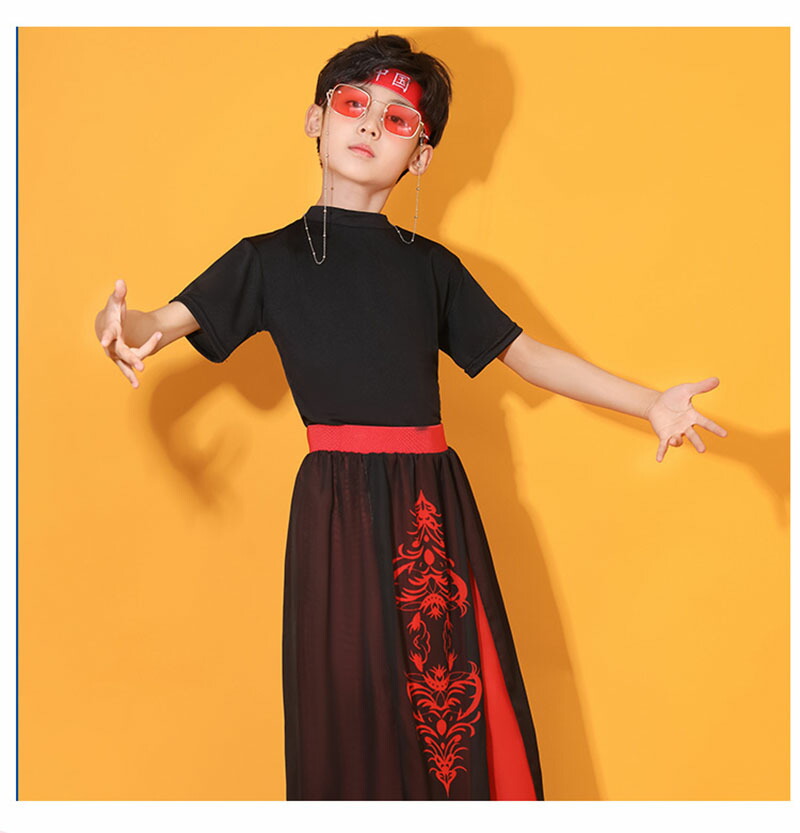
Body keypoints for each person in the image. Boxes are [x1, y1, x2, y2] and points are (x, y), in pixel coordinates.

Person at [94, 32, 727, 801]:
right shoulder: (265, 260)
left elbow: (530, 356)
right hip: (335, 509)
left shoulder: (432, 269)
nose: (369, 124)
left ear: (420, 156)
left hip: (431, 505)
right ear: (316, 119)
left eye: (397, 119)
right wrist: (119, 326)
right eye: (354, 104)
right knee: (347, 704)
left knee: (452, 710)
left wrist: (650, 401)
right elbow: (160, 320)